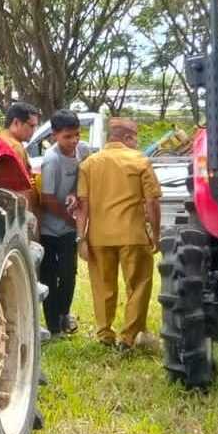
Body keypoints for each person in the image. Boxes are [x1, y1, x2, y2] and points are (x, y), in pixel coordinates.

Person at [75, 117, 162, 351]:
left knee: (102, 286)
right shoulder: (140, 161)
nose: (136, 144)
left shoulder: (89, 164)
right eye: (135, 139)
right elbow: (152, 202)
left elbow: (82, 205)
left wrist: (81, 239)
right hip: (132, 235)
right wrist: (156, 233)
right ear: (127, 137)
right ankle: (129, 337)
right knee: (139, 284)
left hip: (99, 237)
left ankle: (104, 334)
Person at [38, 110, 91, 340]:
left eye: (77, 135)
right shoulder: (51, 160)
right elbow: (48, 199)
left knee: (69, 274)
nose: (74, 141)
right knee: (50, 276)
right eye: (67, 137)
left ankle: (64, 314)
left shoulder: (84, 151)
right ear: (54, 136)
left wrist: (73, 195)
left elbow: (83, 181)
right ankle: (53, 326)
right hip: (50, 229)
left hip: (69, 229)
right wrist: (73, 219)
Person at [0, 102, 39, 209]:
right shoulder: (15, 147)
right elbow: (21, 188)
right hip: (15, 209)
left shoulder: (0, 138)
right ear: (16, 122)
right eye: (31, 126)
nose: (34, 131)